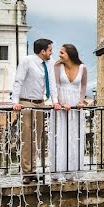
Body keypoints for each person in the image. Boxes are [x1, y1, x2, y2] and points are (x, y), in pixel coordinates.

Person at [12, 38, 54, 183]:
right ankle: (26, 172)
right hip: (26, 103)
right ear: (42, 51)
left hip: (40, 103)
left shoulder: (48, 64)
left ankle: (33, 170)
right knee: (26, 138)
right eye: (50, 50)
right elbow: (18, 80)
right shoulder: (27, 61)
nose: (51, 52)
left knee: (37, 138)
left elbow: (52, 84)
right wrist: (15, 102)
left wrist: (55, 102)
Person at [49, 44, 88, 179]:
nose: (59, 55)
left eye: (62, 53)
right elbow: (55, 86)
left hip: (75, 107)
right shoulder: (57, 67)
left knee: (74, 136)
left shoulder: (83, 68)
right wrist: (59, 102)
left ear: (70, 54)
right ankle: (59, 170)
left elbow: (83, 86)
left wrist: (81, 101)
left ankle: (73, 170)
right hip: (61, 106)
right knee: (60, 135)